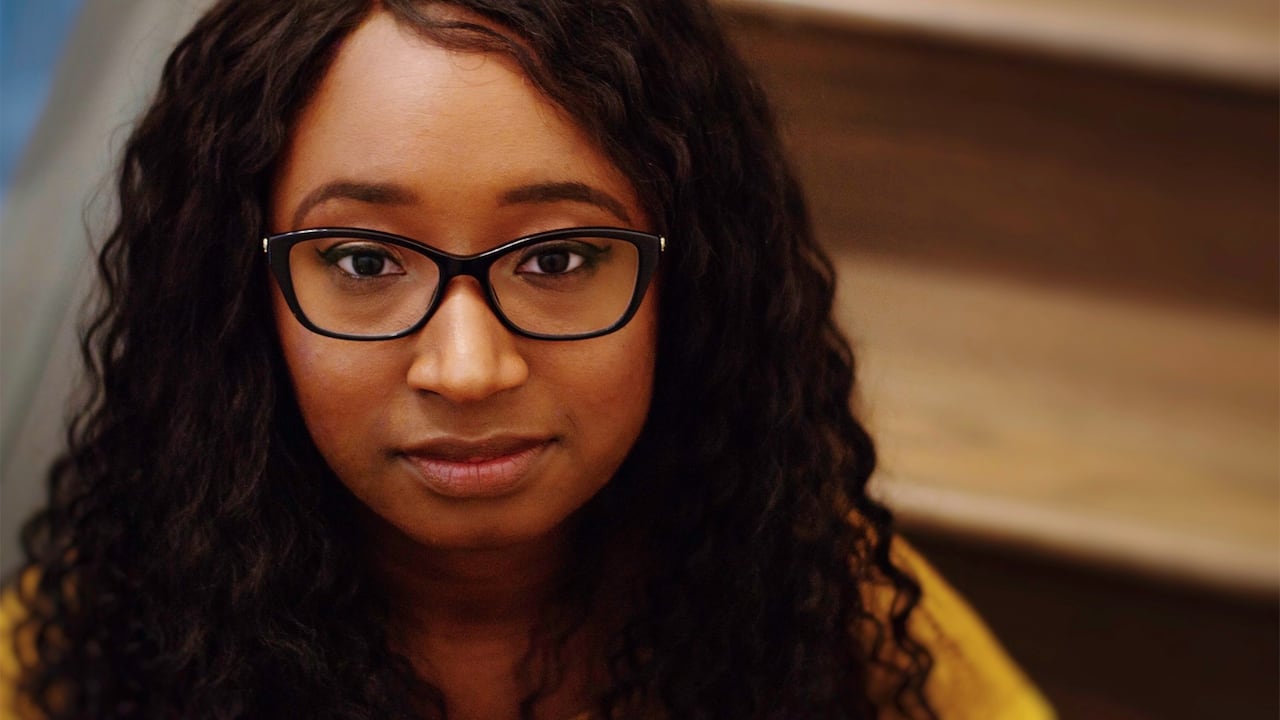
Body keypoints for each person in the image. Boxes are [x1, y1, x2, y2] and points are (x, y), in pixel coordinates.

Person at [1, 1, 1053, 718]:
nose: (465, 369)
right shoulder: (80, 656)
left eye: (557, 256)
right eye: (364, 260)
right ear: (241, 300)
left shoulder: (826, 611)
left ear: (688, 286)